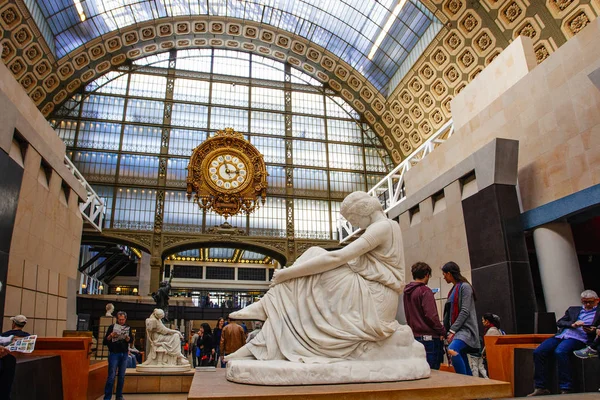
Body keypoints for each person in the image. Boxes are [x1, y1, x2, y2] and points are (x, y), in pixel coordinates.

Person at [225, 191, 404, 364]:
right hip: (371, 293)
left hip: (376, 299)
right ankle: (259, 342)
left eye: (353, 219)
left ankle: (266, 306)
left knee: (315, 255)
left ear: (364, 210)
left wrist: (286, 273)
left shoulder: (382, 227)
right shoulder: (387, 226)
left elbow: (338, 257)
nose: (355, 224)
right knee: (307, 286)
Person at [529, 290, 600, 396]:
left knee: (560, 351)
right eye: (585, 302)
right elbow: (560, 322)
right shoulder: (573, 310)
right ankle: (540, 387)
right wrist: (573, 324)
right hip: (562, 335)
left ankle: (566, 387)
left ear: (597, 300)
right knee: (539, 351)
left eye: (590, 302)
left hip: (580, 338)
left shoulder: (598, 312)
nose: (588, 305)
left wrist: (593, 330)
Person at [403, 262, 446, 370]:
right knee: (433, 372)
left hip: (414, 337)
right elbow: (431, 315)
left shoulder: (407, 292)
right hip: (429, 339)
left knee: (419, 371)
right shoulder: (425, 291)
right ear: (427, 274)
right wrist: (442, 330)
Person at [442, 261, 479, 376]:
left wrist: (452, 330)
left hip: (466, 330)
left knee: (453, 350)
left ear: (449, 273)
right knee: (463, 360)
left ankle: (464, 383)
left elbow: (465, 311)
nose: (443, 277)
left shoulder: (465, 287)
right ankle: (472, 388)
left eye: (444, 274)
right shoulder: (453, 290)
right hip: (458, 331)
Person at [103, 311, 131, 400]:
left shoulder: (127, 327)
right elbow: (105, 341)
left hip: (124, 353)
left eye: (123, 320)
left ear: (125, 319)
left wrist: (128, 339)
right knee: (111, 376)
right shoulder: (112, 327)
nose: (121, 321)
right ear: (117, 319)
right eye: (119, 320)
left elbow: (130, 340)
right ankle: (107, 397)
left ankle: (119, 396)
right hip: (114, 353)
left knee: (121, 376)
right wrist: (111, 335)